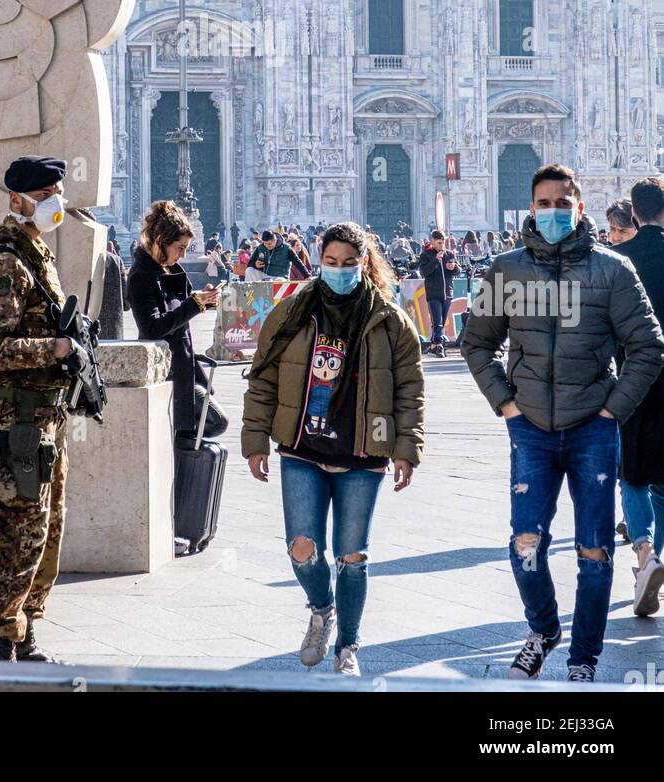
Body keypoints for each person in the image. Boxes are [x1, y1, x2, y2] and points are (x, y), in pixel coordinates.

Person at [462, 162, 664, 682]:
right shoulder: (504, 270)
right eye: (544, 203)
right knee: (525, 543)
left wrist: (612, 409)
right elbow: (476, 341)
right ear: (533, 207)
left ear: (579, 206)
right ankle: (544, 629)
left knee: (594, 551)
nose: (553, 211)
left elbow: (648, 345)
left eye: (562, 203)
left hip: (594, 428)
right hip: (529, 425)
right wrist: (505, 403)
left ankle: (583, 659)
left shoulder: (614, 270)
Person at [242, 221, 425, 676]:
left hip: (364, 452)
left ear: (364, 264)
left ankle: (348, 647)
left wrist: (407, 447)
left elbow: (410, 389)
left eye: (348, 263)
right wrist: (254, 439)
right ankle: (322, 608)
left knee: (353, 556)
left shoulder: (390, 320)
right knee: (301, 548)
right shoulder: (293, 313)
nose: (339, 270)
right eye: (331, 262)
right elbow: (263, 377)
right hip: (303, 447)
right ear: (318, 261)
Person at [0, 155, 74, 663]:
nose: (57, 201)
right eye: (47, 192)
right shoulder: (5, 262)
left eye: (58, 190)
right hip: (23, 421)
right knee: (20, 534)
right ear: (17, 198)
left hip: (48, 419)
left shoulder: (36, 254)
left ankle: (25, 634)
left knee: (47, 533)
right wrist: (54, 350)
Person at [126, 200, 228, 444]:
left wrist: (204, 301)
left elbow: (178, 311)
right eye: (180, 247)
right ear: (161, 240)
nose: (183, 254)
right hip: (166, 371)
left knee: (195, 427)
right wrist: (194, 304)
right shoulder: (141, 276)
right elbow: (152, 327)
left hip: (183, 365)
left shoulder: (168, 269)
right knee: (211, 421)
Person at [612, 177, 664, 615]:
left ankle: (645, 552)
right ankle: (655, 562)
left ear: (634, 214)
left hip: (630, 379)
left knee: (632, 474)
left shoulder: (617, 261)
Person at [418, 229, 457, 357]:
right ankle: (439, 345)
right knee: (437, 321)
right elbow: (425, 272)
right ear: (433, 242)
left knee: (441, 320)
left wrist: (454, 267)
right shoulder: (426, 255)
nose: (442, 245)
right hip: (433, 293)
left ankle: (434, 345)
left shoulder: (450, 254)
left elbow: (456, 271)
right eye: (439, 243)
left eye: (443, 242)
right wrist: (435, 260)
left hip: (447, 293)